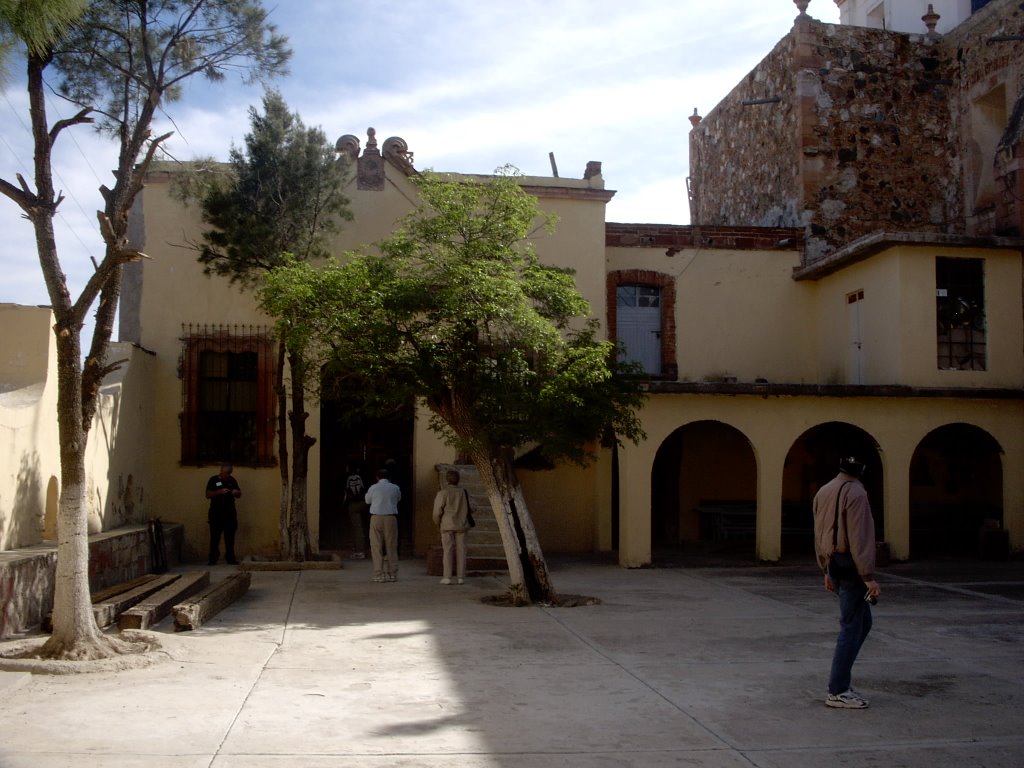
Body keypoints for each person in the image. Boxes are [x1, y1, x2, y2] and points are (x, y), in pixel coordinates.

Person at [813, 456, 882, 709]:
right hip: (852, 568)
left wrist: (825, 568)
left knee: (863, 622)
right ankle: (838, 690)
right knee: (852, 626)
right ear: (862, 470)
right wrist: (868, 577)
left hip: (835, 564)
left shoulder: (825, 490)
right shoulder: (857, 494)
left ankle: (841, 683)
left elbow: (819, 532)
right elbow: (860, 537)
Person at [432, 469, 471, 585]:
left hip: (447, 524)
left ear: (447, 480)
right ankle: (461, 577)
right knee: (461, 551)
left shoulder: (443, 492)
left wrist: (438, 522)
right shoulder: (464, 492)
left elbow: (436, 511)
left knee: (447, 550)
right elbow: (473, 507)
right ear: (458, 480)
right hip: (462, 524)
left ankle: (447, 577)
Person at [365, 467, 401, 582]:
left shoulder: (373, 488)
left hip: (376, 517)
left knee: (376, 546)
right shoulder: (395, 488)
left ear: (377, 477)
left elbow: (367, 501)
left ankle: (378, 574)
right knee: (391, 545)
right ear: (389, 477)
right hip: (390, 518)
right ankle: (392, 573)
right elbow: (398, 499)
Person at [206, 464, 242, 565]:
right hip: (216, 513)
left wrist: (236, 492)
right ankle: (213, 559)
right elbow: (207, 494)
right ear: (221, 471)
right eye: (226, 473)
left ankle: (230, 558)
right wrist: (219, 492)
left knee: (230, 537)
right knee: (215, 537)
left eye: (229, 474)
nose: (227, 475)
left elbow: (239, 494)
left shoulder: (232, 480)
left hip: (229, 513)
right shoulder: (213, 480)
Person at [342, 464, 368, 559]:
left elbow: (346, 493)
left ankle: (359, 551)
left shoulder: (349, 478)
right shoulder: (361, 477)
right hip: (364, 503)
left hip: (354, 504)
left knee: (357, 528)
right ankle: (361, 549)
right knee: (361, 527)